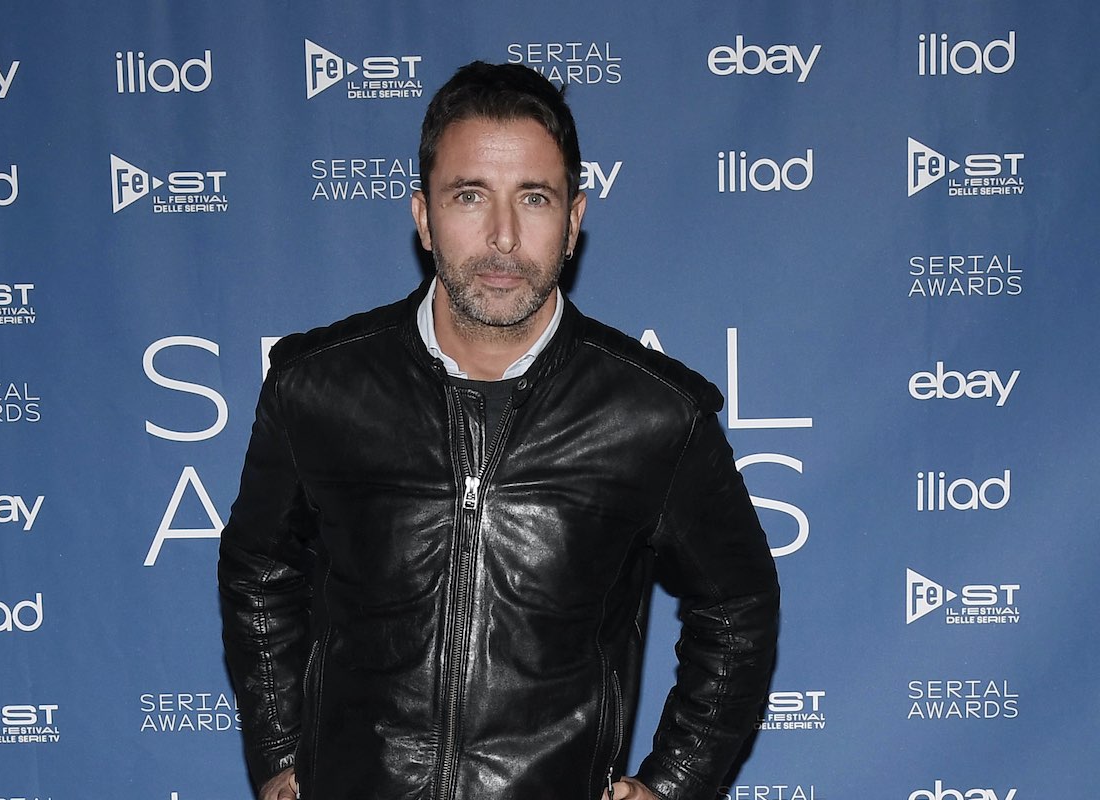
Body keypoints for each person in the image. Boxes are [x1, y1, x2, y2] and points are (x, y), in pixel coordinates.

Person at [218, 61, 779, 800]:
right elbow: (258, 569)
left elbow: (738, 606)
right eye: (470, 195)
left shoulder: (654, 413)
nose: (504, 237)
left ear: (573, 222)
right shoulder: (317, 386)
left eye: (534, 198)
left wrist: (673, 782)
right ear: (424, 216)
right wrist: (279, 752)